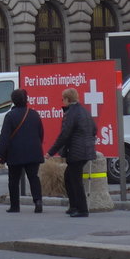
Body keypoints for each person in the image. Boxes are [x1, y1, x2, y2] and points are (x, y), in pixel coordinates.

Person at [46, 87, 97, 218]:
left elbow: (64, 135)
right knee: (69, 177)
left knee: (75, 180)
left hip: (77, 151)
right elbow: (94, 128)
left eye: (63, 99)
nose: (62, 101)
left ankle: (82, 209)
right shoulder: (84, 111)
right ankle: (74, 206)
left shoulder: (71, 113)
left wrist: (51, 152)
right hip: (86, 149)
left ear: (67, 99)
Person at [0, 88, 44, 213]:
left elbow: (4, 137)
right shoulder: (34, 114)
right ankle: (38, 201)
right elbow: (41, 133)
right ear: (26, 100)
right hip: (33, 151)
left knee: (13, 180)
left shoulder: (10, 116)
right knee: (33, 178)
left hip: (15, 153)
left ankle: (15, 206)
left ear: (13, 101)